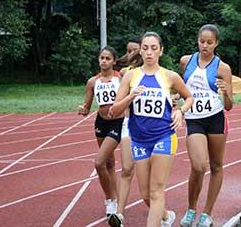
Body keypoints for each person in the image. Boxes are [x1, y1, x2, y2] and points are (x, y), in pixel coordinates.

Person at [109, 32, 194, 227]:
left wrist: (181, 111)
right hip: (139, 140)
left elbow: (189, 97)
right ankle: (166, 217)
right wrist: (131, 97)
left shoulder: (169, 76)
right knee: (146, 194)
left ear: (161, 51)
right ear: (140, 50)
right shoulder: (130, 76)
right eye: (145, 48)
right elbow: (114, 110)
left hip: (164, 136)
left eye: (154, 48)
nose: (149, 53)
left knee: (156, 191)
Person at [179, 24, 233, 227]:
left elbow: (229, 106)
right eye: (202, 41)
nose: (205, 46)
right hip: (194, 119)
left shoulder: (222, 68)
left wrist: (226, 91)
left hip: (215, 119)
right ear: (197, 40)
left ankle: (207, 213)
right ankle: (191, 208)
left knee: (216, 165)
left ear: (216, 43)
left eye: (210, 42)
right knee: (199, 165)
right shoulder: (186, 61)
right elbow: (182, 89)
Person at [78, 47, 122, 217]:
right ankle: (115, 198)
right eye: (101, 58)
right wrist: (82, 109)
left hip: (118, 122)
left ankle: (110, 200)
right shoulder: (92, 82)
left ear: (114, 61)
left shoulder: (121, 78)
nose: (104, 61)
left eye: (107, 58)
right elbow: (87, 108)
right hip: (101, 123)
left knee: (99, 162)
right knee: (109, 163)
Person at [109, 45, 143, 227]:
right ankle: (119, 214)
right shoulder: (126, 74)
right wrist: (130, 96)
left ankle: (163, 214)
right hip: (129, 125)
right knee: (127, 169)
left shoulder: (161, 75)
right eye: (129, 51)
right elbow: (117, 106)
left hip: (150, 130)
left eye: (134, 51)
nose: (130, 54)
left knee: (150, 180)